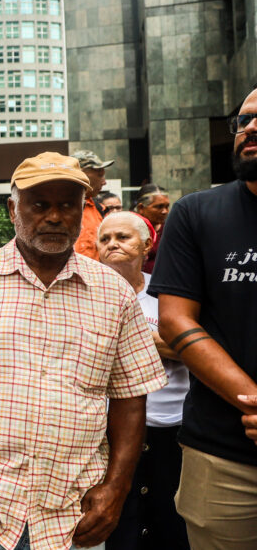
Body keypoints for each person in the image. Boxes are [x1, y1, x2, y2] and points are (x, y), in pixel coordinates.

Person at [0, 151, 166, 550]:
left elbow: (131, 397)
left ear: (83, 211)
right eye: (40, 204)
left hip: (77, 508)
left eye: (67, 205)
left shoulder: (115, 294)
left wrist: (116, 489)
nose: (54, 216)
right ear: (14, 208)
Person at [151, 89, 257, 549]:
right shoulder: (196, 213)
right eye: (244, 120)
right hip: (222, 458)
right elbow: (175, 322)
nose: (249, 128)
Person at [97, 211, 189, 550]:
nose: (113, 245)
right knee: (120, 521)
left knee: (170, 518)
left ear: (147, 245)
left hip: (170, 426)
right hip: (109, 429)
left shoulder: (166, 293)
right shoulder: (87, 298)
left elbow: (190, 346)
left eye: (123, 237)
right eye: (105, 239)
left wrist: (134, 335)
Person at [71, 150, 113, 260]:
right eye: (100, 175)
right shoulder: (53, 209)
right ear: (81, 173)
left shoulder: (101, 210)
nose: (104, 182)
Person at [132, 184, 170, 274]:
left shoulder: (170, 229)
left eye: (167, 206)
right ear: (141, 208)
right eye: (159, 207)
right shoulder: (131, 229)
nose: (165, 211)